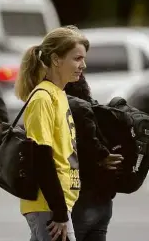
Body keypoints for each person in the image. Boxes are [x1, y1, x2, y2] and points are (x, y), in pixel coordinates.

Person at [14, 25, 89, 241]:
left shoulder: (59, 94)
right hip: (48, 204)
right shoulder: (42, 98)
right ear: (56, 59)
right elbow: (41, 157)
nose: (82, 65)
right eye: (77, 58)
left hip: (56, 202)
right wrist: (58, 210)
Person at [64, 75, 124, 241]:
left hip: (80, 202)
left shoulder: (71, 112)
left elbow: (87, 149)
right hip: (104, 202)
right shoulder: (99, 112)